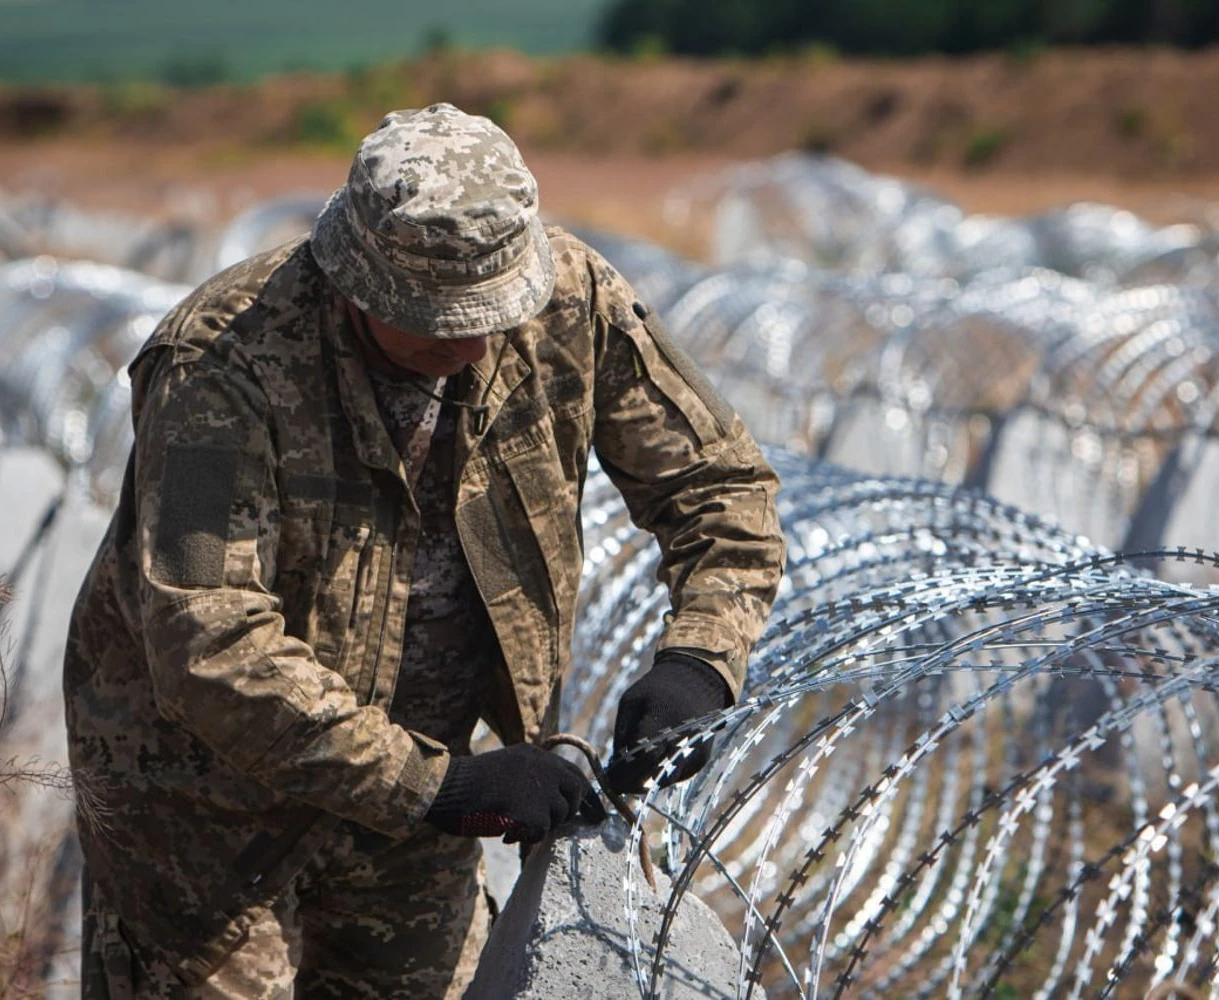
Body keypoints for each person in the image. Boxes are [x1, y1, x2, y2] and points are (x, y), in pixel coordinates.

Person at [64, 102, 785, 999]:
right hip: (206, 812)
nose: (473, 341)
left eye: (492, 311)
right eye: (438, 320)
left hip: (419, 801)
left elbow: (720, 487)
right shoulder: (222, 365)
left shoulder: (572, 304)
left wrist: (701, 659)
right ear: (357, 279)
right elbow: (209, 641)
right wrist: (438, 787)